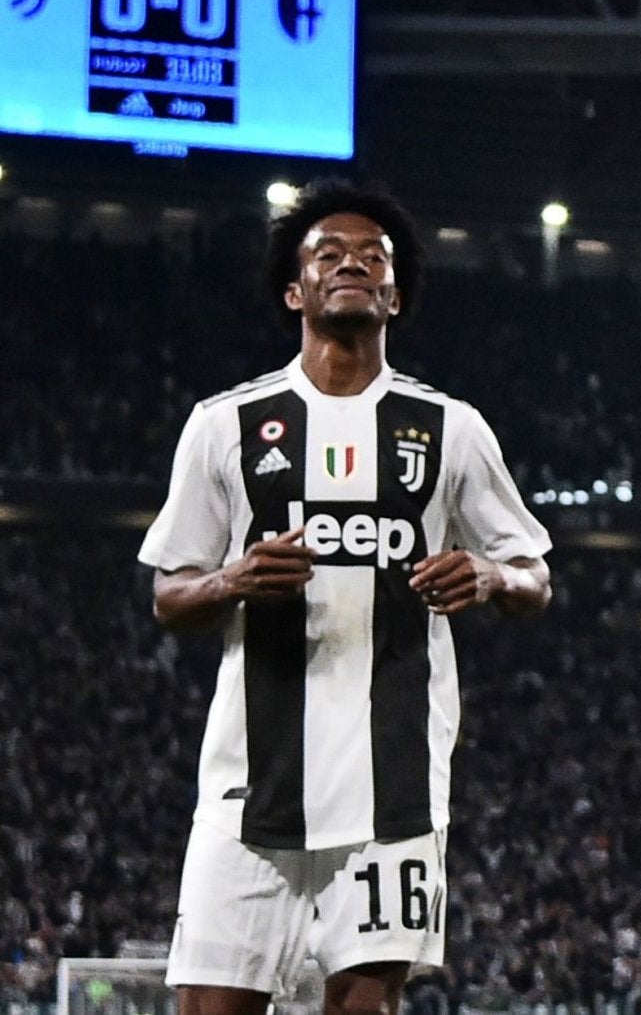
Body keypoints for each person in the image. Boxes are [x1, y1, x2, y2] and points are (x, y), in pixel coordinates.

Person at [139, 181, 552, 1015]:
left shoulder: (451, 428)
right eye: (328, 254)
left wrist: (490, 575)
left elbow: (534, 574)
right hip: (248, 793)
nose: (353, 263)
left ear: (393, 294)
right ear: (296, 290)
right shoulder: (226, 424)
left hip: (392, 796)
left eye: (373, 257)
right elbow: (169, 594)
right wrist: (230, 580)